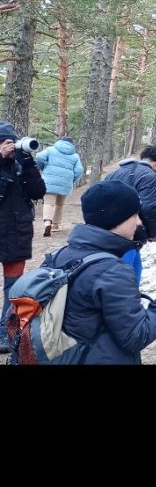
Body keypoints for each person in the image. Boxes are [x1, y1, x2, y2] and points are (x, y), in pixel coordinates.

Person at [40, 181, 156, 364]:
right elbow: (137, 335)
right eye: (134, 215)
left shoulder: (59, 255)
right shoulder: (113, 271)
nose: (139, 222)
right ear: (116, 218)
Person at [0, 122, 47, 354]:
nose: (8, 146)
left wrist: (27, 162)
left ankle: (4, 334)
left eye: (10, 141)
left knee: (12, 287)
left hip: (16, 232)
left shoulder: (21, 162)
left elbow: (38, 191)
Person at [104, 145, 156, 283]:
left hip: (105, 230)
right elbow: (148, 208)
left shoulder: (115, 173)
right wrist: (152, 233)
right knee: (127, 275)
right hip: (129, 233)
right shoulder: (150, 176)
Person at [35, 135, 83, 236]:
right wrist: (71, 179)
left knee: (48, 202)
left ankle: (47, 222)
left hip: (49, 181)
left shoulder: (51, 150)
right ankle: (55, 225)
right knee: (59, 205)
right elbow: (79, 170)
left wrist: (42, 168)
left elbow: (39, 157)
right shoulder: (75, 156)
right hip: (65, 183)